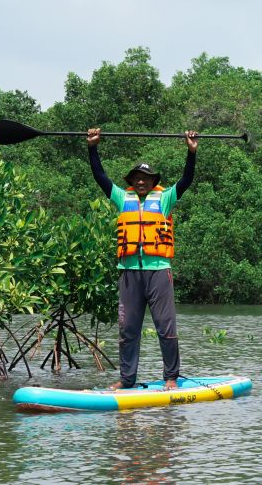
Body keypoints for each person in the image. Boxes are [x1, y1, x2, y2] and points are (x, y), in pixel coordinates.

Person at [87, 127, 197, 390]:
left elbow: (186, 180)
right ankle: (127, 380)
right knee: (128, 330)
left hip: (158, 271)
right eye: (136, 178)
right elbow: (100, 177)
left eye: (145, 178)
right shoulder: (122, 198)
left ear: (152, 181)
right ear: (131, 181)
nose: (140, 181)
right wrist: (92, 147)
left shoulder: (165, 198)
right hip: (128, 273)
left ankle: (171, 377)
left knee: (166, 327)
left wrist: (191, 153)